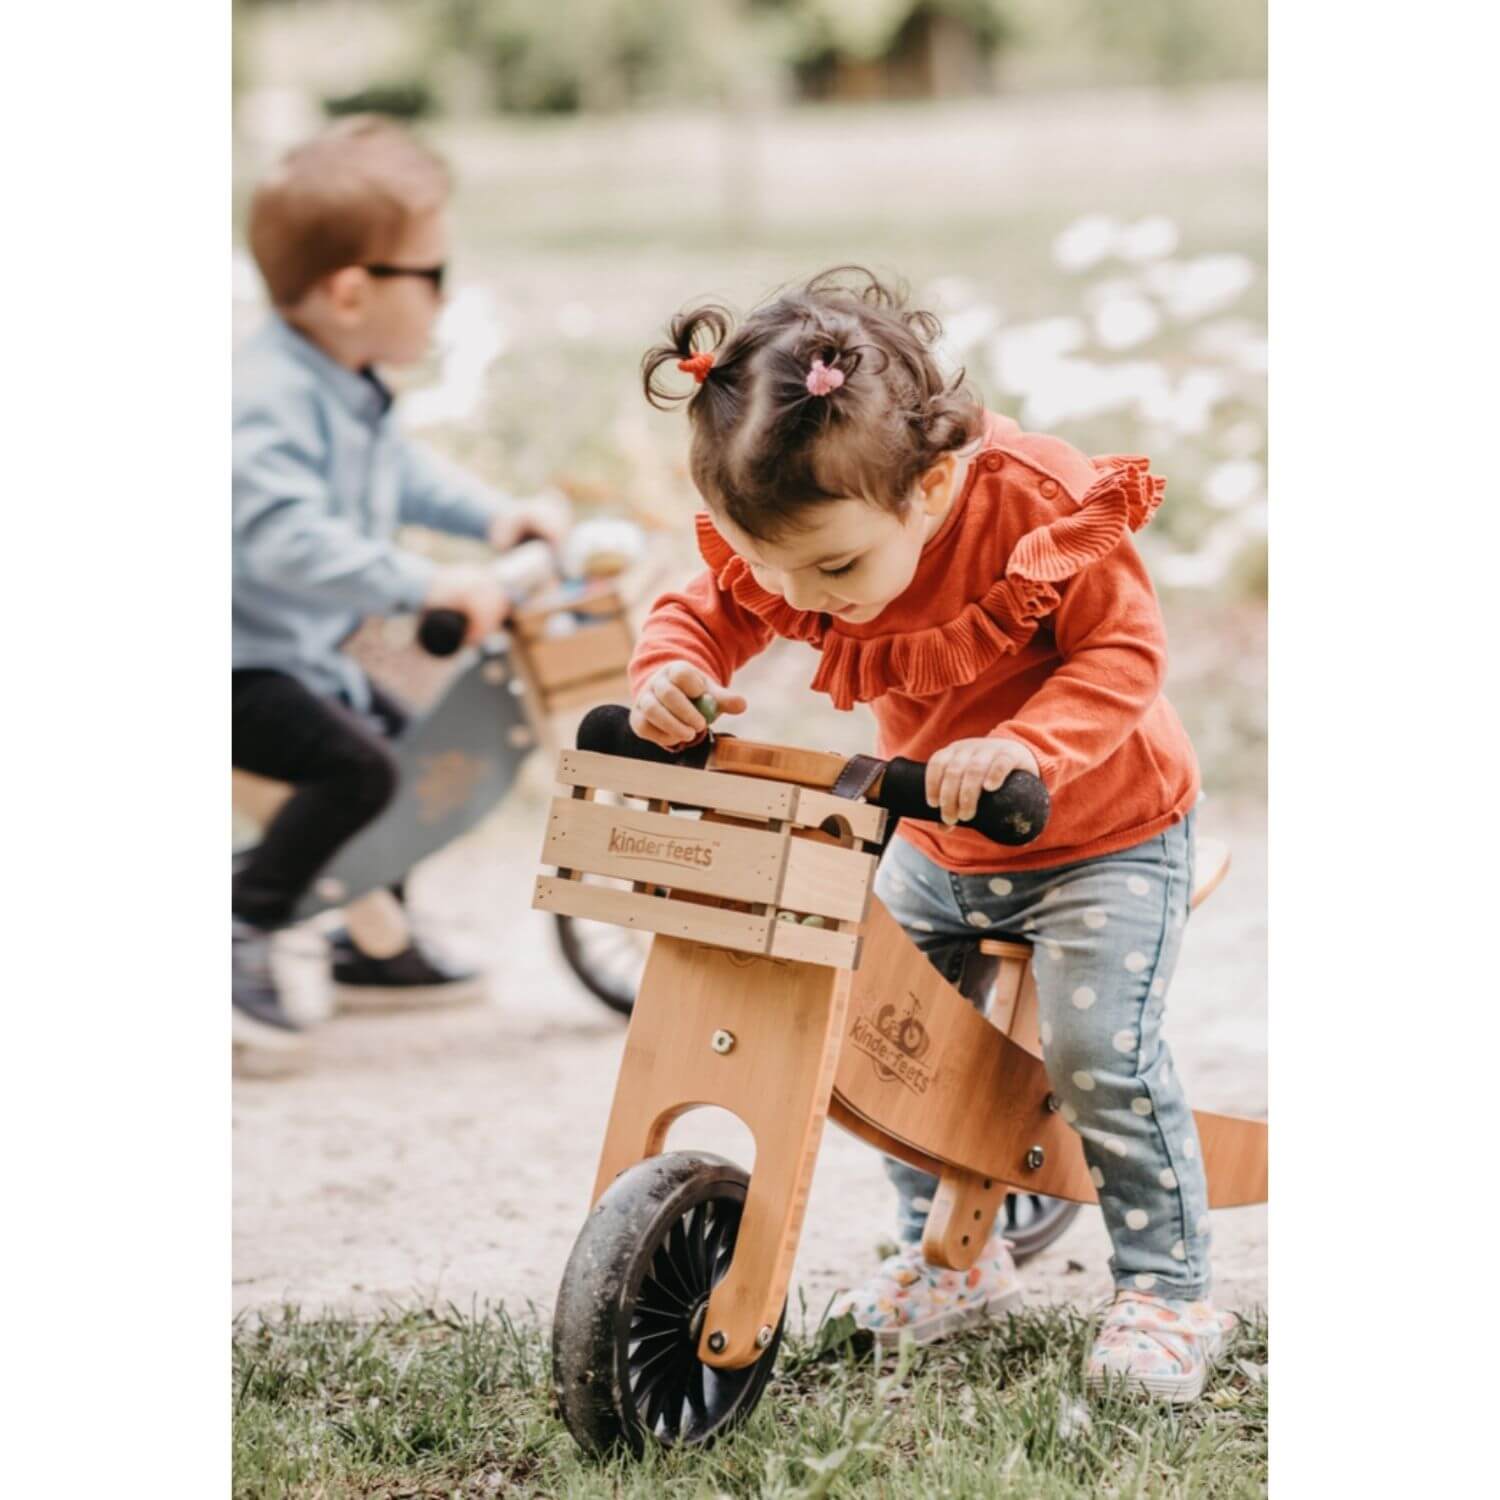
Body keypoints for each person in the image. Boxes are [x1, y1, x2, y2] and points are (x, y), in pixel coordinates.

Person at [626, 267, 1234, 1403]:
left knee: (1099, 1057)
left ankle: (1167, 1287)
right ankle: (954, 1257)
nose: (796, 594)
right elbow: (704, 605)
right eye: (764, 561)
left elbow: (1122, 658)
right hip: (940, 842)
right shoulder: (796, 535)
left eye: (835, 568)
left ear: (932, 485)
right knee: (885, 1039)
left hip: (1102, 832)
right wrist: (674, 670)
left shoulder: (1032, 500)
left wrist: (1027, 750)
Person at [233, 115, 564, 1065]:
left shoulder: (341, 379)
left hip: (290, 654)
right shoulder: (265, 399)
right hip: (235, 661)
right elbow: (283, 538)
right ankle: (238, 923)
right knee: (361, 770)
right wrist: (426, 581)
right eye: (432, 276)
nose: (443, 295)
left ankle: (369, 949)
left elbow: (402, 477)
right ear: (349, 292)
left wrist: (496, 520)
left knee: (406, 754)